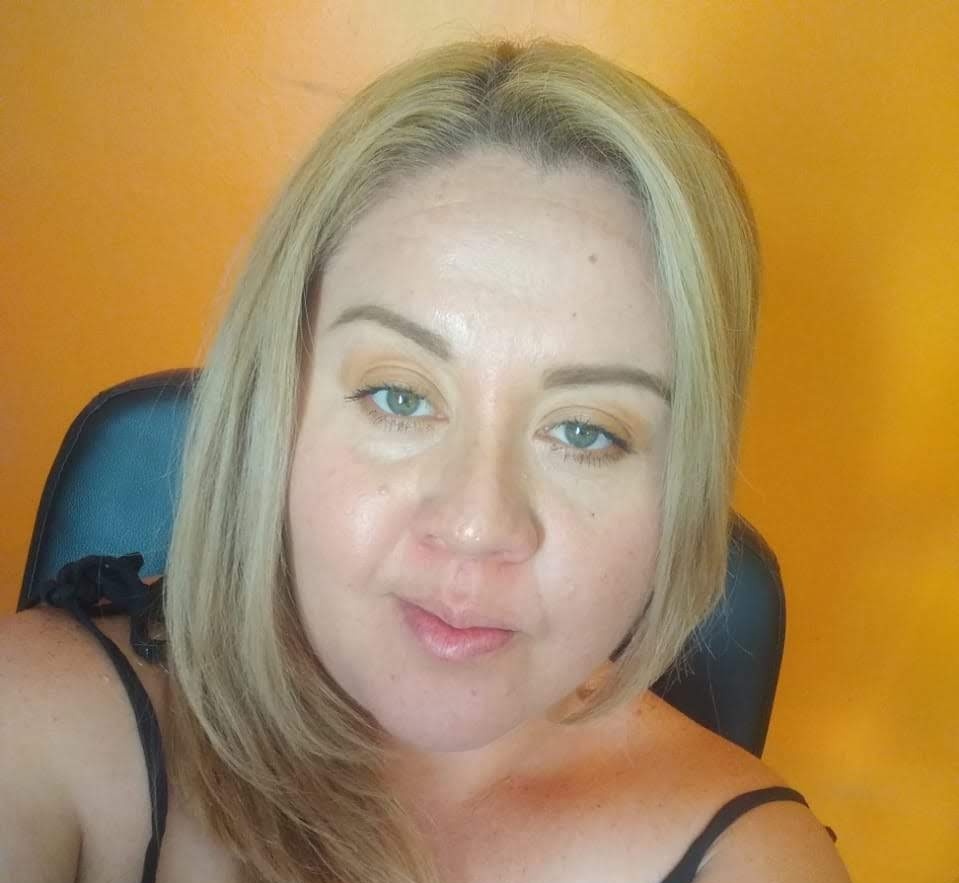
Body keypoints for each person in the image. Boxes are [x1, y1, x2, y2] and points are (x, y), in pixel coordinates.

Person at [0, 38, 851, 883]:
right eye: (399, 396)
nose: (477, 524)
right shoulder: (44, 726)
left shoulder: (755, 860)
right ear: (277, 408)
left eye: (585, 431)